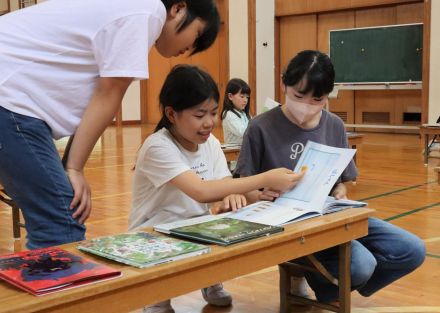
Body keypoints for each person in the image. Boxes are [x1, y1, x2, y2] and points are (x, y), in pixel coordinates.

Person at [0, 0, 220, 249]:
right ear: (178, 8)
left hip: (14, 101)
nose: (190, 48)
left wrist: (72, 166)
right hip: (9, 100)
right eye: (196, 35)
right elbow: (109, 93)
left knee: (60, 215)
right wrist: (73, 168)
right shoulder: (146, 12)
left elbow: (95, 102)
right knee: (61, 221)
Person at [234, 50, 426, 303]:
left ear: (328, 96)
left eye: (317, 100)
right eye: (298, 96)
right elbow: (243, 182)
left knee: (412, 250)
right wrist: (258, 194)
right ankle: (321, 277)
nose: (306, 106)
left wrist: (340, 192)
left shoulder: (334, 125)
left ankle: (330, 285)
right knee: (360, 265)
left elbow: (341, 183)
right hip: (288, 223)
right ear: (283, 83)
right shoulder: (260, 126)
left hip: (328, 216)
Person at [129, 64, 304, 313]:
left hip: (193, 228)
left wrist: (242, 195)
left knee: (229, 224)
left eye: (213, 113)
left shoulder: (209, 142)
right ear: (171, 114)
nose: (209, 123)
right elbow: (201, 191)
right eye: (199, 115)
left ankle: (209, 278)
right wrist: (264, 178)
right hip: (151, 234)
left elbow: (222, 183)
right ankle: (157, 296)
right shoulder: (157, 147)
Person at [221, 78, 251, 145]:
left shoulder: (244, 113)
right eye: (242, 96)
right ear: (230, 96)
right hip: (233, 153)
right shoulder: (228, 114)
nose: (245, 100)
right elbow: (244, 132)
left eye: (247, 97)